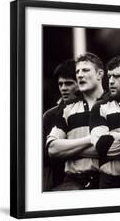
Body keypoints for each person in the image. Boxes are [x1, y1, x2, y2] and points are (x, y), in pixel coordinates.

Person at [46, 52, 105, 190]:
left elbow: (117, 149)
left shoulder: (114, 104)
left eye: (85, 70)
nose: (80, 74)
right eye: (77, 71)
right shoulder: (67, 108)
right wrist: (91, 139)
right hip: (72, 181)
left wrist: (69, 150)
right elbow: (52, 149)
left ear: (99, 74)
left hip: (106, 180)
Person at [90, 56, 120, 188]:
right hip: (110, 181)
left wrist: (116, 135)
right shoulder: (99, 107)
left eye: (116, 76)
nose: (110, 81)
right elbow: (102, 148)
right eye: (109, 76)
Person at [43, 59, 79, 191]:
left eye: (69, 83)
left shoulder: (95, 109)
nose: (63, 88)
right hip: (57, 182)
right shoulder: (50, 116)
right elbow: (46, 155)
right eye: (61, 84)